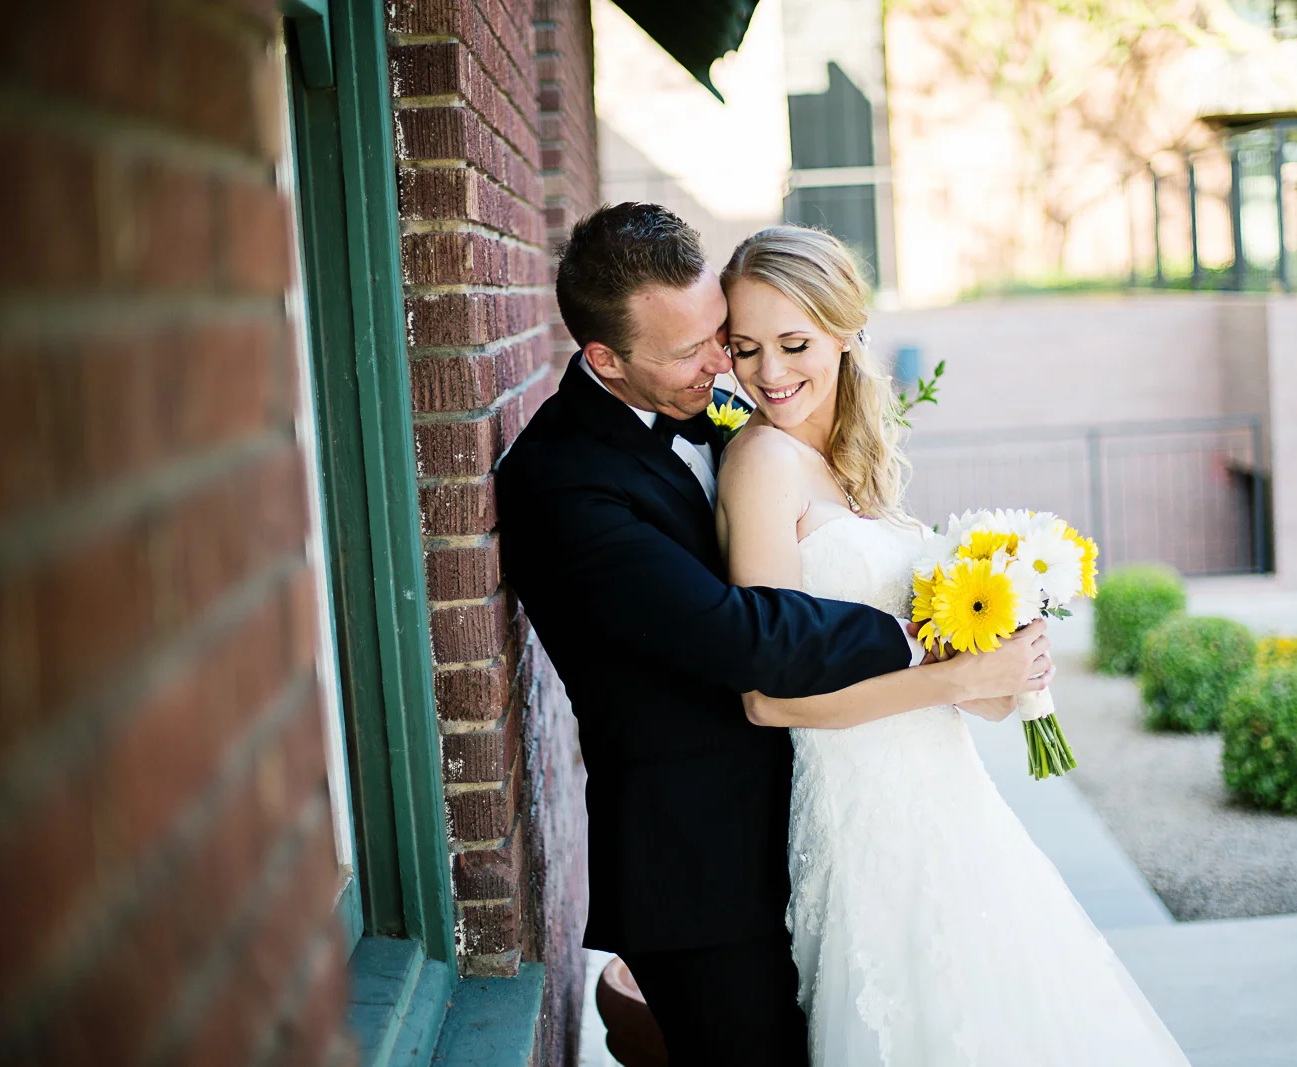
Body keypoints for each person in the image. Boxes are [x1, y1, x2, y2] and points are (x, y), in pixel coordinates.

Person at [494, 203, 1051, 1066]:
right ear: (604, 358)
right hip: (696, 874)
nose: (727, 365)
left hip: (807, 835)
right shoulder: (560, 483)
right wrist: (920, 639)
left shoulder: (706, 408)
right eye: (696, 351)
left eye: (723, 334)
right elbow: (733, 632)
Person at [715, 224, 1196, 1066]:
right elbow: (769, 696)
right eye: (745, 348)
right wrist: (957, 679)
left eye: (793, 343)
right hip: (864, 818)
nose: (768, 372)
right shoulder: (761, 462)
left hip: (949, 801)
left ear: (844, 332)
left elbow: (921, 662)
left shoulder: (850, 463)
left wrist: (997, 667)